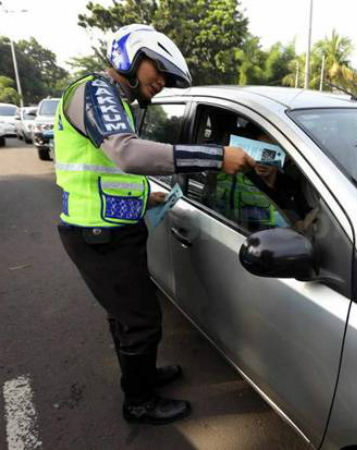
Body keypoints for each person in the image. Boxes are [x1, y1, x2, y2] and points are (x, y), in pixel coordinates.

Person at [53, 24, 255, 425]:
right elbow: (127, 155)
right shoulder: (94, 91)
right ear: (132, 56)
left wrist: (148, 194)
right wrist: (216, 156)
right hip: (96, 235)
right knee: (141, 322)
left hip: (111, 231)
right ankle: (139, 402)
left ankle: (141, 375)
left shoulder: (118, 103)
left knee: (128, 316)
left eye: (167, 78)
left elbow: (110, 172)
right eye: (158, 70)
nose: (161, 83)